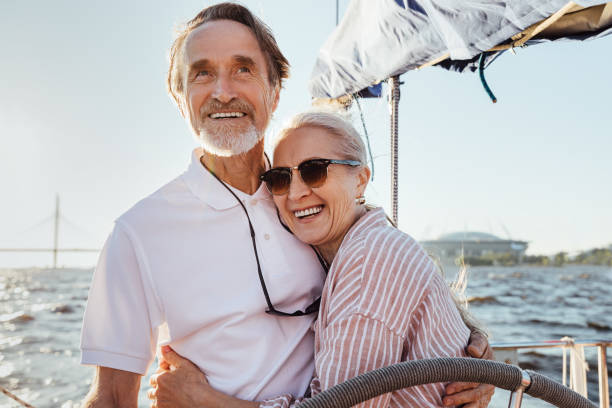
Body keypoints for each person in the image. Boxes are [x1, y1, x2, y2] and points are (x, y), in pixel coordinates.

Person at [79, 3, 492, 407]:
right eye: (202, 73)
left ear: (274, 92)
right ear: (178, 95)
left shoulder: (304, 205)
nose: (223, 92)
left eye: (243, 69)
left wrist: (467, 345)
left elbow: (394, 277)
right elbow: (111, 397)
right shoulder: (138, 233)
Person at [147, 110, 489, 408]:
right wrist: (478, 348)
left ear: (360, 181)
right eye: (279, 178)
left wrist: (204, 401)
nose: (296, 193)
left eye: (314, 171)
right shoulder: (360, 246)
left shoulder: (370, 259)